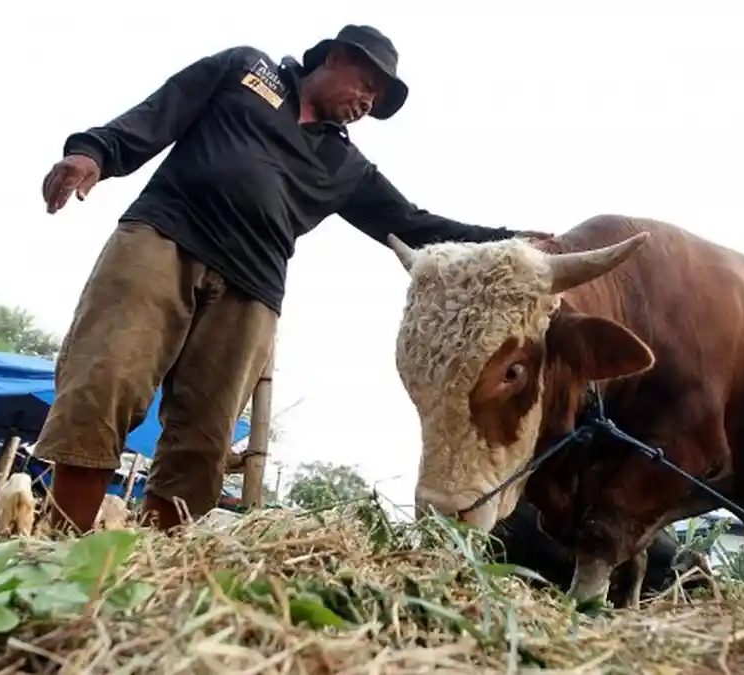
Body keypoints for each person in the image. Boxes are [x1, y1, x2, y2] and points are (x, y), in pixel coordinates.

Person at [37, 25, 553, 534]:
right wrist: (93, 153)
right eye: (367, 85)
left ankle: (149, 566)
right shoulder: (246, 70)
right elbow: (159, 112)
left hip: (251, 291)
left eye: (376, 98)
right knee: (105, 378)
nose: (368, 103)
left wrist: (513, 240)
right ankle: (64, 547)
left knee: (206, 434)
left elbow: (415, 224)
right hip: (163, 240)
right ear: (335, 58)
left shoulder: (344, 164)